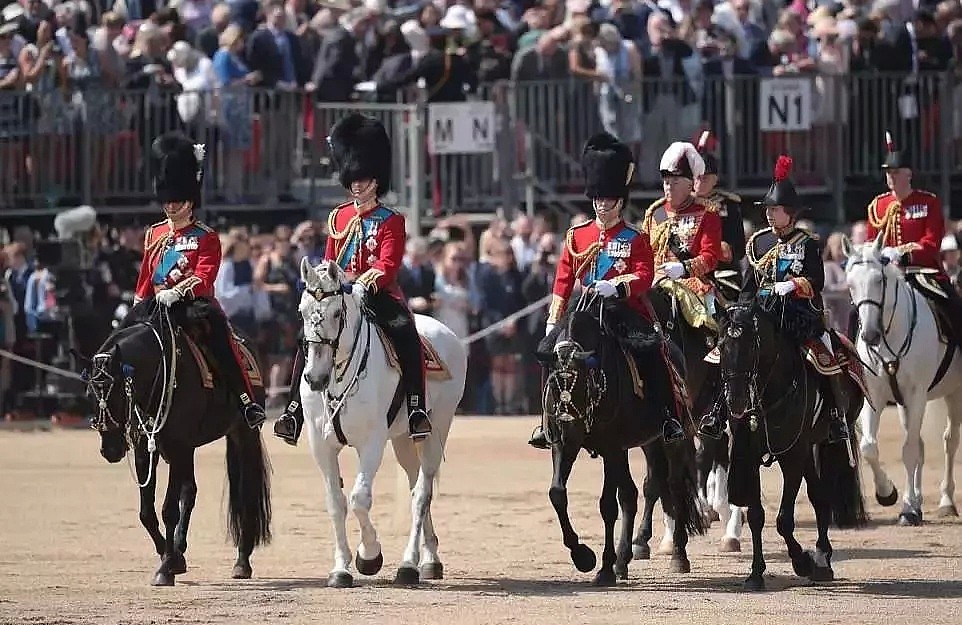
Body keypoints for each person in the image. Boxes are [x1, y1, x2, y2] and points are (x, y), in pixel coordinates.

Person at [273, 112, 431, 446]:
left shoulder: (392, 219)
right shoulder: (338, 216)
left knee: (406, 332)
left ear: (376, 179)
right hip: (339, 293)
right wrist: (326, 282)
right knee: (310, 336)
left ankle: (416, 408)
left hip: (377, 293)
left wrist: (363, 283)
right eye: (352, 177)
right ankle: (293, 411)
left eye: (363, 177)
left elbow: (388, 263)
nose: (356, 183)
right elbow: (330, 258)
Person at [528, 132, 686, 450]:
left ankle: (668, 416)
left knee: (654, 350)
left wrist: (616, 286)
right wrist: (553, 319)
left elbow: (643, 275)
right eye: (598, 199)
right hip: (584, 308)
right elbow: (562, 280)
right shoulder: (577, 236)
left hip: (623, 309)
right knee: (548, 351)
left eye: (608, 199)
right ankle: (547, 422)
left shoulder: (634, 237)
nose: (602, 205)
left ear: (620, 200)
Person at [700, 155, 849, 443]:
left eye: (775, 209)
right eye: (767, 209)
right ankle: (717, 411)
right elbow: (748, 286)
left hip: (798, 315)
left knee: (824, 355)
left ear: (790, 212)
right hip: (763, 314)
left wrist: (792, 286)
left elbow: (817, 282)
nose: (769, 214)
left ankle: (835, 416)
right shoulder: (759, 241)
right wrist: (740, 313)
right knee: (729, 353)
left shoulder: (808, 243)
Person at [132, 131, 266, 429]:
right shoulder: (154, 233)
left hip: (192, 306)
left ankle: (246, 402)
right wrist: (139, 301)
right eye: (167, 199)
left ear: (190, 201)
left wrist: (178, 291)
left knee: (220, 337)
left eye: (176, 199)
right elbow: (146, 274)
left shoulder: (206, 236)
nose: (170, 206)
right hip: (155, 306)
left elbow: (205, 277)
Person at [865, 131, 962, 346]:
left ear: (908, 174)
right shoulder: (878, 206)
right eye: (888, 173)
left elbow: (932, 242)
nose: (890, 177)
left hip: (922, 272)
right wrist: (880, 256)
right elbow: (871, 243)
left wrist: (903, 255)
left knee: (953, 308)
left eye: (895, 172)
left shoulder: (928, 203)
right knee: (860, 312)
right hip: (888, 274)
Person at [643, 140, 723, 329]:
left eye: (675, 182)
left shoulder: (707, 212)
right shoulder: (655, 212)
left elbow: (710, 257)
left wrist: (683, 268)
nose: (668, 186)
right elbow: (644, 253)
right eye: (666, 182)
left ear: (690, 185)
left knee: (712, 325)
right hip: (655, 282)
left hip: (693, 284)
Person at [693, 129, 746, 297]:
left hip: (720, 274)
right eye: (697, 177)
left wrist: (723, 249)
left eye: (705, 178)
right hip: (686, 274)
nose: (700, 182)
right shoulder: (679, 205)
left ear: (715, 179)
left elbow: (738, 248)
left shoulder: (728, 205)